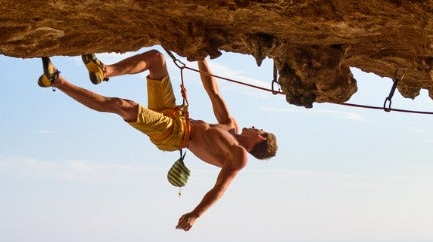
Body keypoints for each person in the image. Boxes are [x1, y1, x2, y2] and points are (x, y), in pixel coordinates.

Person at [37, 50, 277, 231]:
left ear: (260, 138)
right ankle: (104, 70)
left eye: (261, 129)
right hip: (175, 114)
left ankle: (57, 81)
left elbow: (219, 188)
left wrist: (195, 214)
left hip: (173, 134)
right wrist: (199, 54)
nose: (256, 125)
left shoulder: (238, 156)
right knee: (156, 59)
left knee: (122, 106)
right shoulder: (230, 124)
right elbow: (213, 90)